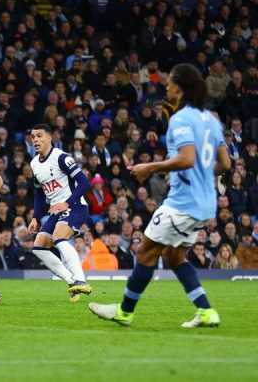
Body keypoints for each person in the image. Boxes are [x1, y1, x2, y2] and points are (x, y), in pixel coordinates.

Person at [89, 64, 230, 328]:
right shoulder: (212, 119)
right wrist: (201, 174)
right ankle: (206, 311)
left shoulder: (180, 119)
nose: (166, 87)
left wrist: (150, 167)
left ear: (180, 88)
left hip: (183, 203)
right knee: (175, 257)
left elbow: (187, 158)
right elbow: (225, 164)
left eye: (169, 83)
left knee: (145, 252)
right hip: (205, 204)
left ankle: (124, 311)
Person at [28, 124, 93, 302]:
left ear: (50, 138)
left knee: (59, 237)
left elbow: (85, 183)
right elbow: (39, 193)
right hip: (57, 210)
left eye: (39, 136)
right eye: (33, 137)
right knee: (39, 246)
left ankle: (81, 280)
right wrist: (35, 217)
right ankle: (72, 282)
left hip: (75, 206)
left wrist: (67, 202)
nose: (35, 140)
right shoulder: (34, 164)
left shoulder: (62, 158)